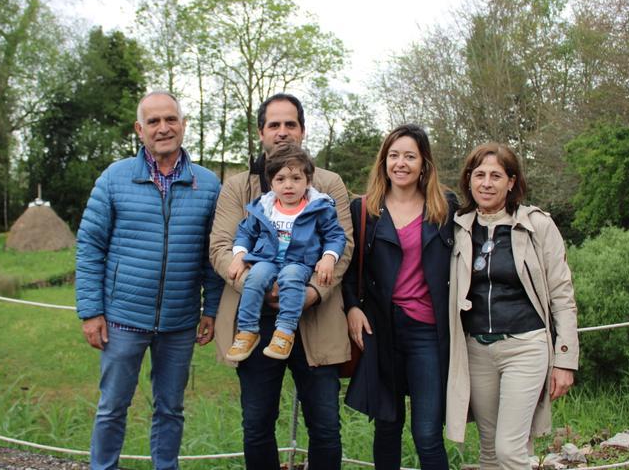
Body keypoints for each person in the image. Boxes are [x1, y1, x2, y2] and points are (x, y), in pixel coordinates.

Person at [75, 90, 223, 470]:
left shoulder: (207, 185)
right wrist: (91, 311)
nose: (163, 128)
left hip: (179, 321)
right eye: (153, 122)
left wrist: (213, 309)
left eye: (170, 119)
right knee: (112, 407)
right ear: (139, 130)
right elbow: (90, 246)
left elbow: (215, 253)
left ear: (183, 125)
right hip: (122, 318)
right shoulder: (115, 178)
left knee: (171, 409)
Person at [210, 93, 353, 470]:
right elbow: (222, 247)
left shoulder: (329, 185)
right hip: (255, 318)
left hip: (313, 317)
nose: (283, 132)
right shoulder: (239, 187)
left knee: (324, 426)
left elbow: (344, 245)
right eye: (274, 125)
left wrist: (310, 293)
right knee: (257, 424)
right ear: (261, 132)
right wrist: (259, 285)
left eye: (291, 124)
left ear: (302, 130)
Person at [444, 143, 579, 470]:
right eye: (479, 175)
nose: (486, 183)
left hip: (526, 348)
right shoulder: (459, 227)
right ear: (468, 180)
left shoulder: (537, 225)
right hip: (476, 350)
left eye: (495, 175)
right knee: (489, 453)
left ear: (511, 182)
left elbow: (562, 294)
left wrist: (565, 359)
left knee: (509, 451)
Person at [344, 124, 457, 470]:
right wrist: (351, 307)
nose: (401, 163)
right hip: (381, 330)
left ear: (424, 163)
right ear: (384, 161)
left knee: (427, 434)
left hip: (428, 332)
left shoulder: (446, 208)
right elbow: (346, 269)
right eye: (394, 155)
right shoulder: (364, 210)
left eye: (410, 156)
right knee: (388, 427)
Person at [226, 143, 347, 362]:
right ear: (271, 183)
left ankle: (284, 332)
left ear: (308, 181)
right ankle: (247, 331)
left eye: (295, 178)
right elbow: (245, 231)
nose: (288, 185)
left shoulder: (318, 207)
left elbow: (336, 236)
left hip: (299, 262)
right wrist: (238, 256)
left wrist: (329, 258)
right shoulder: (264, 207)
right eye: (280, 179)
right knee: (255, 277)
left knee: (291, 277)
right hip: (267, 259)